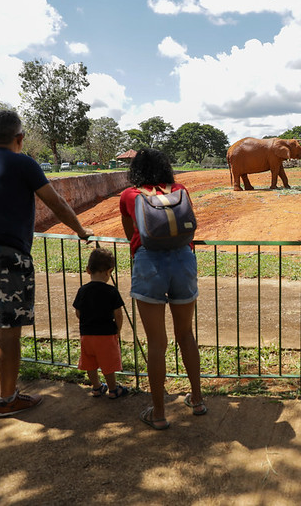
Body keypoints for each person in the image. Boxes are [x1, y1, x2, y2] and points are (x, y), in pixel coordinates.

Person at [0, 109, 93, 418]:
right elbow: (55, 202)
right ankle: (9, 399)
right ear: (19, 138)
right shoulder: (24, 163)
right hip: (7, 256)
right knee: (10, 331)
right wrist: (80, 230)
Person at [119, 148, 205, 430]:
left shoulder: (130, 196)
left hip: (149, 263)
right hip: (183, 260)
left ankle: (158, 413)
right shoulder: (180, 189)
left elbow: (131, 234)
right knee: (186, 335)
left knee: (157, 343)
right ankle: (197, 399)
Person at [74, 247, 128, 399]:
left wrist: (86, 320)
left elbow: (78, 312)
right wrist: (118, 329)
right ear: (109, 271)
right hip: (106, 334)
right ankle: (113, 389)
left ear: (88, 270)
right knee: (108, 364)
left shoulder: (82, 290)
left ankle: (96, 387)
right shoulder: (111, 291)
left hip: (86, 334)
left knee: (90, 363)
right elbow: (118, 313)